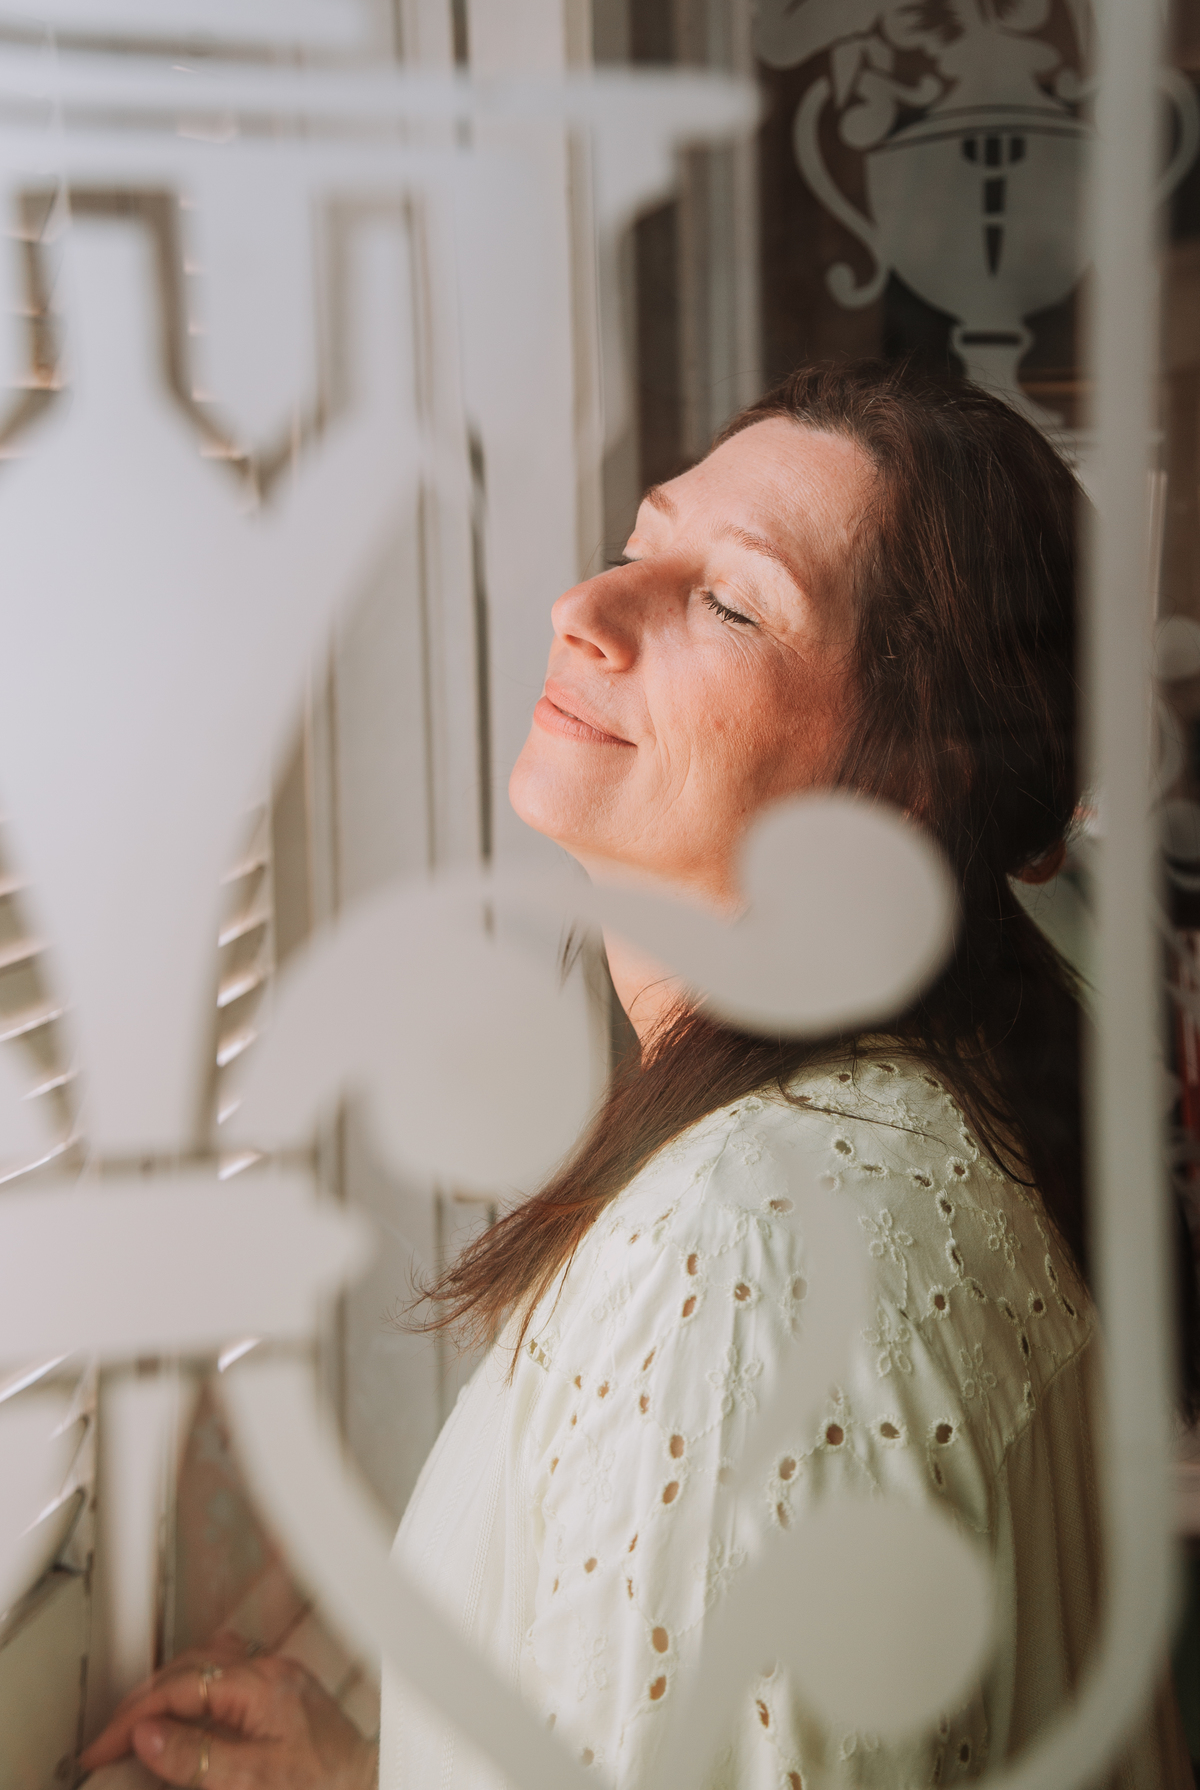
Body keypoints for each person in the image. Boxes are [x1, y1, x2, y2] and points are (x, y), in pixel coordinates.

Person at [80, 363, 1196, 1788]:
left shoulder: (750, 1261)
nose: (584, 612)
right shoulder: (916, 1115)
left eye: (730, 602)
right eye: (636, 546)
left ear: (917, 779)